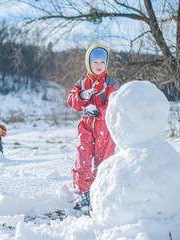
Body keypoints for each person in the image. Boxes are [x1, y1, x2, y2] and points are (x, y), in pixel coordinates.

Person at [67, 44, 120, 211]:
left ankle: (100, 192)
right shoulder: (83, 81)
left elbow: (115, 104)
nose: (98, 65)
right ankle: (82, 193)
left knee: (103, 161)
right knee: (83, 159)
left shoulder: (110, 82)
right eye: (95, 61)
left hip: (105, 126)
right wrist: (82, 95)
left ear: (106, 64)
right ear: (89, 63)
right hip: (86, 126)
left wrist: (99, 111)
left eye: (102, 62)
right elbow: (71, 101)